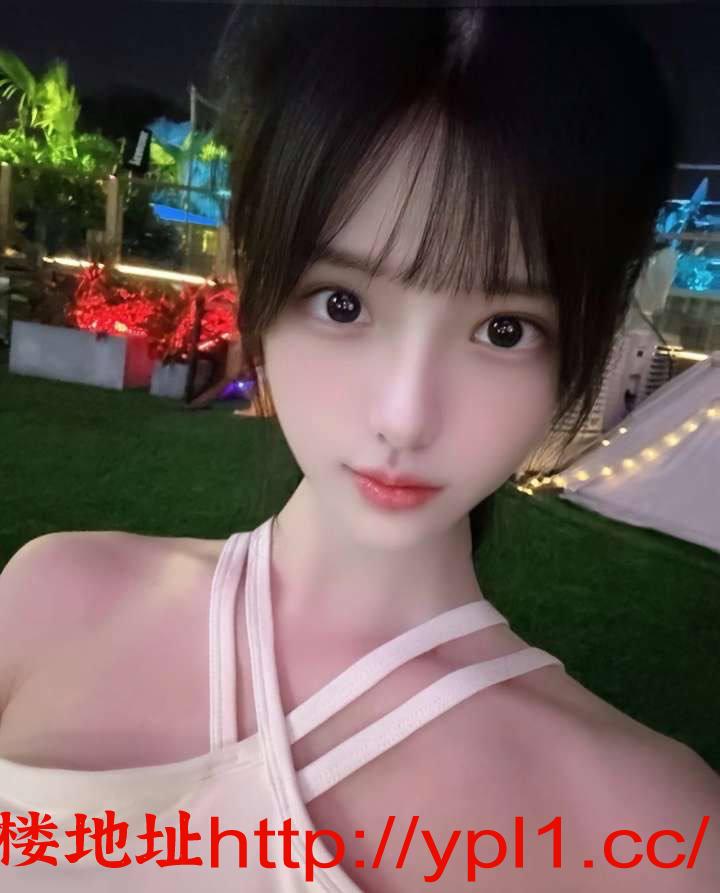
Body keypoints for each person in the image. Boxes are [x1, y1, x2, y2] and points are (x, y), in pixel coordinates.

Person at [0, 6, 718, 892]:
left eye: (504, 328)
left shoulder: (655, 831)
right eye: (342, 303)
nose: (404, 415)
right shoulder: (43, 602)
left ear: (587, 339)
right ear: (256, 276)